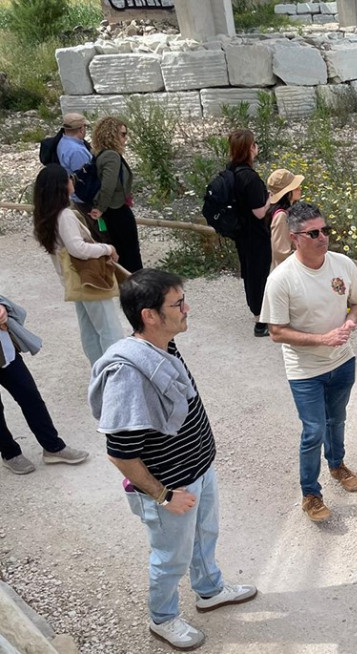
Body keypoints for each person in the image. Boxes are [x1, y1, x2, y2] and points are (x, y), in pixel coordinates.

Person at [88, 268, 257, 651]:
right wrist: (164, 495)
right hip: (170, 486)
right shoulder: (129, 374)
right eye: (177, 304)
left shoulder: (163, 346)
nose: (187, 309)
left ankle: (210, 590)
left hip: (198, 468)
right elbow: (120, 454)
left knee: (204, 536)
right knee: (170, 558)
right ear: (149, 315)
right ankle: (162, 619)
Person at [259, 201, 357, 523]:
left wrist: (350, 322)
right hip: (305, 371)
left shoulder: (342, 264)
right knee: (313, 430)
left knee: (337, 419)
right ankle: (311, 493)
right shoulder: (281, 280)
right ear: (295, 238)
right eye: (314, 233)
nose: (323, 238)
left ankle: (337, 465)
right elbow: (276, 332)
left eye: (325, 230)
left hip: (342, 362)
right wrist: (321, 339)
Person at [32, 164, 124, 365]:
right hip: (87, 277)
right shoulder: (64, 215)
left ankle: (99, 368)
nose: (72, 181)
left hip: (73, 279)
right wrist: (106, 248)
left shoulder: (47, 215)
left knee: (89, 327)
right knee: (109, 328)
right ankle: (115, 371)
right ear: (61, 186)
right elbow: (78, 249)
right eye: (69, 178)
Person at [1, 295, 89, 475]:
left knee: (30, 396)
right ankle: (9, 453)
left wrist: (2, 306)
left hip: (4, 351)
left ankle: (53, 447)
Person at [227, 129, 271, 337]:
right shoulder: (250, 178)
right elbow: (259, 211)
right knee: (258, 274)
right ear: (250, 148)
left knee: (249, 273)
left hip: (240, 232)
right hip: (255, 233)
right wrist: (270, 198)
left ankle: (259, 314)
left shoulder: (230, 171)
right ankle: (261, 321)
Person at [89, 116, 143, 273]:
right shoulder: (111, 156)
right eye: (122, 134)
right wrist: (101, 207)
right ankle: (137, 285)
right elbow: (108, 186)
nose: (125, 139)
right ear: (112, 135)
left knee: (121, 250)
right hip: (116, 209)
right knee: (130, 251)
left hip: (111, 211)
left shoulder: (100, 154)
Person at [265, 168, 304, 270]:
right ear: (287, 192)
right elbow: (281, 252)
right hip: (286, 272)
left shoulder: (282, 212)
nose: (300, 188)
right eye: (295, 187)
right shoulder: (281, 216)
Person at [56, 113, 93, 203]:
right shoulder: (77, 151)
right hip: (82, 197)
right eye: (85, 127)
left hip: (73, 193)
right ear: (81, 129)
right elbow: (85, 178)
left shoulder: (63, 142)